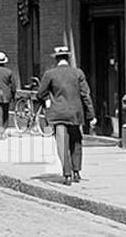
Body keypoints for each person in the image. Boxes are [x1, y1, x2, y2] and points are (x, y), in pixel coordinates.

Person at [37, 45, 95, 185]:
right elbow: (85, 95)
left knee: (62, 144)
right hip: (75, 114)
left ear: (56, 59)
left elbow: (40, 94)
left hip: (57, 114)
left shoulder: (50, 74)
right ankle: (77, 171)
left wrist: (47, 101)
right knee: (76, 141)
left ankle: (67, 174)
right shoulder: (78, 73)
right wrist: (91, 115)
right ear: (68, 58)